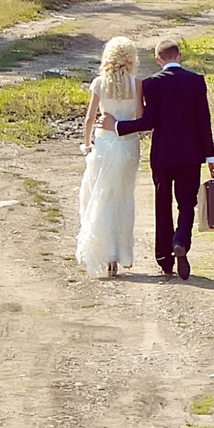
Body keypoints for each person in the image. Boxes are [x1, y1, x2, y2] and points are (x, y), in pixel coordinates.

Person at [104, 34, 214, 279]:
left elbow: (148, 122)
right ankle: (181, 242)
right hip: (191, 155)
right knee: (187, 204)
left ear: (158, 60)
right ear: (180, 56)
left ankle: (165, 259)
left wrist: (117, 126)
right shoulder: (196, 81)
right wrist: (211, 157)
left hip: (162, 156)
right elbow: (204, 122)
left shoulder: (151, 84)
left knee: (162, 204)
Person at [73, 36, 144, 278]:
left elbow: (89, 119)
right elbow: (139, 118)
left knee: (101, 195)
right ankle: (120, 254)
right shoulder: (137, 84)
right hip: (128, 145)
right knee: (124, 197)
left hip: (104, 144)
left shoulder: (99, 83)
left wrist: (87, 145)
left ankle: (107, 252)